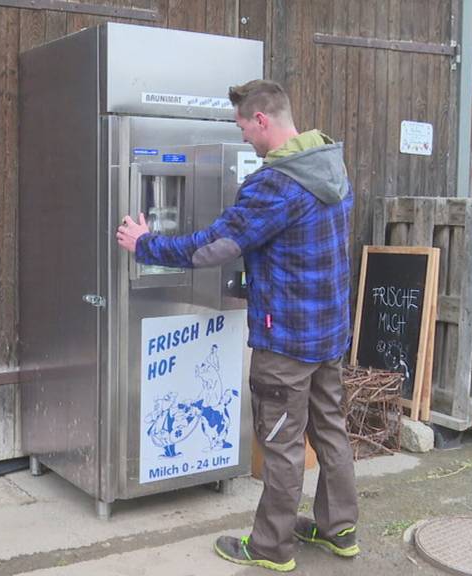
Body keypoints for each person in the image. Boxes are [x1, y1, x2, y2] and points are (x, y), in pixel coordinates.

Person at [116, 79, 359, 573]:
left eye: (243, 126)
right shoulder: (329, 163)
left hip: (286, 338)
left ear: (262, 120)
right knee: (331, 431)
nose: (243, 136)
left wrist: (146, 245)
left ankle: (271, 547)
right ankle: (340, 529)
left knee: (282, 443)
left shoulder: (276, 184)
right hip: (328, 331)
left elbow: (214, 246)